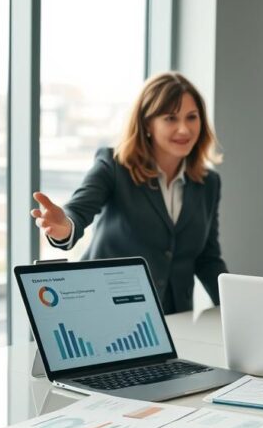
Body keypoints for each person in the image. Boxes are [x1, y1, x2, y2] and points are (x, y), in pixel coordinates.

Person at [30, 72, 228, 314]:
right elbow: (79, 210)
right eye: (170, 118)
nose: (184, 129)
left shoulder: (208, 183)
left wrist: (236, 308)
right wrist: (65, 227)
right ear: (147, 123)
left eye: (192, 117)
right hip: (106, 311)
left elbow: (207, 259)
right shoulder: (113, 166)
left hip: (174, 318)